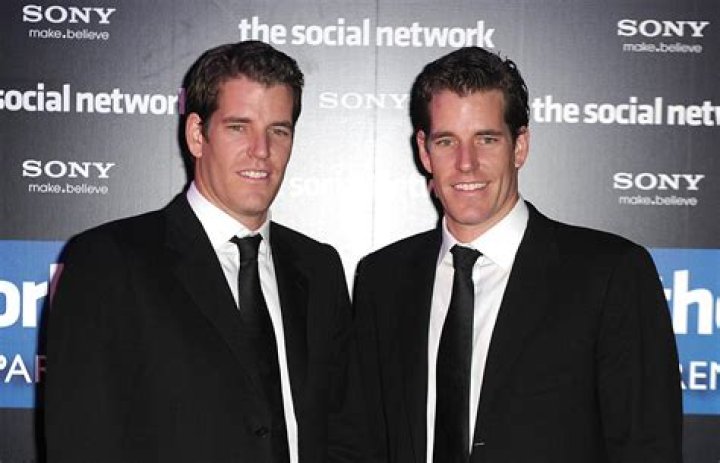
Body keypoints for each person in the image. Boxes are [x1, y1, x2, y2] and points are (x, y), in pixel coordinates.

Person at [353, 47, 682, 463]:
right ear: (424, 150)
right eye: (446, 141)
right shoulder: (383, 279)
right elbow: (364, 441)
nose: (466, 163)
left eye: (486, 139)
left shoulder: (610, 274)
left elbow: (648, 448)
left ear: (520, 146)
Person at [45, 41, 363, 463]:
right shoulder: (108, 261)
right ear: (197, 134)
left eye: (278, 130)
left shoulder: (319, 268)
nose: (261, 150)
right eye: (238, 127)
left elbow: (345, 432)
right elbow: (81, 440)